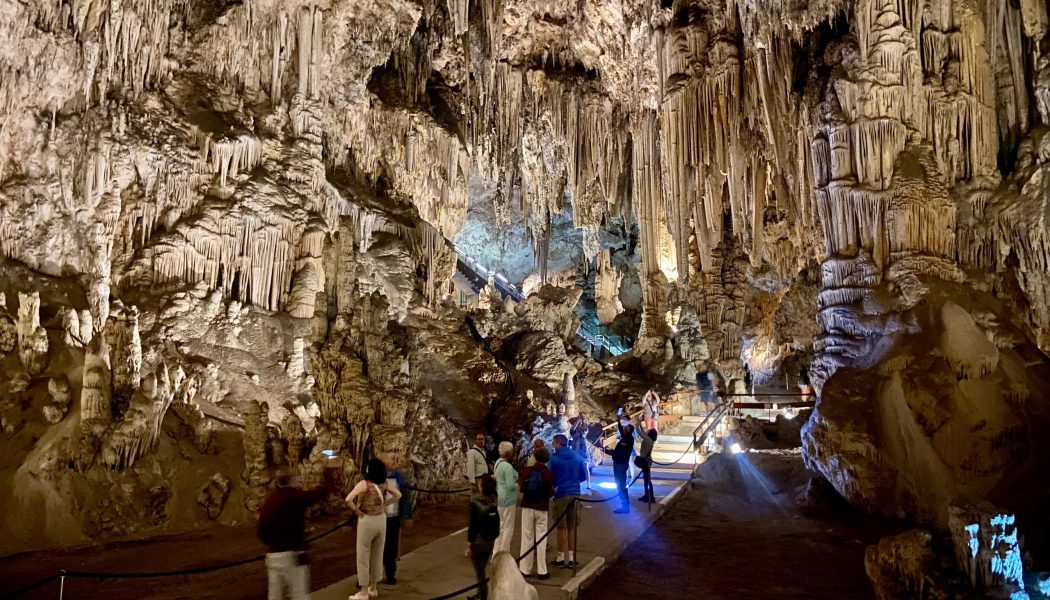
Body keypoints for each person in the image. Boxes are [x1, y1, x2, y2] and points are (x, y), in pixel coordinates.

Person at [257, 467, 338, 600]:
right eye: (297, 478)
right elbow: (318, 494)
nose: (299, 480)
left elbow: (261, 531)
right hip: (292, 554)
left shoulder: (270, 500)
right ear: (290, 480)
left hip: (272, 556)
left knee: (274, 595)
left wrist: (273, 543)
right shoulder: (294, 497)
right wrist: (328, 475)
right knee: (299, 594)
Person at [346, 458, 401, 600]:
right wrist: (386, 504)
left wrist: (356, 510)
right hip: (381, 520)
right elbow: (398, 495)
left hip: (367, 520)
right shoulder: (385, 483)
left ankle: (364, 592)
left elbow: (348, 499)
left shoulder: (364, 484)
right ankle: (373, 588)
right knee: (378, 553)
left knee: (363, 555)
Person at [549, 434, 587, 568]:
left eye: (554, 443)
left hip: (561, 493)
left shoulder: (554, 458)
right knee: (572, 526)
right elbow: (583, 476)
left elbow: (550, 476)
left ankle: (560, 557)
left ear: (559, 443)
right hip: (575, 492)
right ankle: (571, 558)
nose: (553, 445)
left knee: (561, 527)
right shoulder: (577, 456)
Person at [517, 446, 554, 579]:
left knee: (527, 537)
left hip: (527, 506)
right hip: (542, 508)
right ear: (546, 459)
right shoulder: (548, 474)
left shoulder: (527, 471)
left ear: (535, 457)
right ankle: (542, 571)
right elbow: (550, 492)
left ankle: (525, 569)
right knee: (541, 538)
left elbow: (521, 487)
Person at [466, 475, 500, 600]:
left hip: (478, 541)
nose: (479, 485)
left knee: (480, 573)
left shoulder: (475, 503)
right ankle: (480, 593)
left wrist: (469, 544)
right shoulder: (493, 500)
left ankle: (483, 596)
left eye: (480, 483)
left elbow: (473, 526)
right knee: (481, 569)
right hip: (490, 540)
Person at [382, 453, 413, 585]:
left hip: (393, 517)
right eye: (392, 458)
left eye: (396, 458)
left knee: (391, 547)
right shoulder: (374, 476)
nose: (395, 461)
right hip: (377, 517)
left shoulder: (400, 478)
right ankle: (368, 576)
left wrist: (406, 515)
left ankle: (390, 574)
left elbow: (406, 498)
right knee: (374, 547)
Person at [492, 441, 518, 556]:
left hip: (500, 497)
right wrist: (519, 485)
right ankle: (504, 555)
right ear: (508, 452)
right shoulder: (507, 466)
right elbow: (511, 485)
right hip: (509, 499)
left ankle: (496, 554)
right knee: (508, 529)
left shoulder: (498, 463)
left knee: (501, 528)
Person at [604, 422, 634, 514]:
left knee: (621, 485)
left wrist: (608, 451)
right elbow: (621, 429)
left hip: (620, 464)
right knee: (620, 485)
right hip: (619, 463)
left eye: (627, 428)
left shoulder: (628, 439)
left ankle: (625, 506)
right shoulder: (626, 438)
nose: (624, 429)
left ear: (629, 431)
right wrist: (618, 419)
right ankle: (624, 505)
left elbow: (619, 452)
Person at [569, 416, 593, 492]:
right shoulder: (574, 433)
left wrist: (582, 422)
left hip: (583, 453)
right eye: (579, 425)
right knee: (575, 468)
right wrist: (578, 420)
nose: (580, 425)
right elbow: (572, 429)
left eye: (580, 424)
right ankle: (575, 483)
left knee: (586, 468)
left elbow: (586, 429)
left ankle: (588, 483)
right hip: (575, 453)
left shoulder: (583, 433)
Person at [635, 426, 657, 503]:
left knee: (647, 480)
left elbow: (638, 431)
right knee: (646, 479)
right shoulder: (649, 439)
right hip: (647, 460)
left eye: (649, 430)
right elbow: (643, 432)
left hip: (646, 461)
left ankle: (649, 496)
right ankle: (648, 495)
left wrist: (638, 422)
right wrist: (640, 424)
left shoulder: (648, 439)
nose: (648, 430)